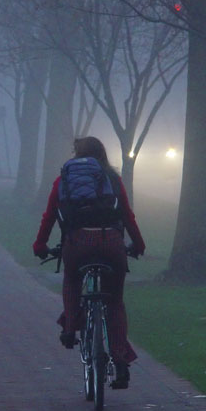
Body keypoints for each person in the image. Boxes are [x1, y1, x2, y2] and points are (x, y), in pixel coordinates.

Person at [33, 136, 145, 389]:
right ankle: (120, 361)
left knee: (72, 280)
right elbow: (127, 215)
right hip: (111, 244)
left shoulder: (64, 181)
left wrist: (39, 246)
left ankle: (70, 328)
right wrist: (138, 245)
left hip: (77, 244)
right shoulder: (113, 180)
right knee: (114, 301)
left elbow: (49, 216)